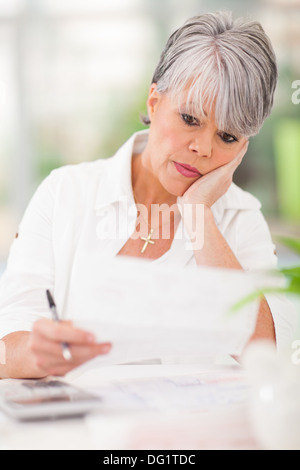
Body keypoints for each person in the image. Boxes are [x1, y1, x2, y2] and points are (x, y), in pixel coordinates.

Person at [0, 11, 295, 379]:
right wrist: (39, 353)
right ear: (154, 102)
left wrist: (199, 214)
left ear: (244, 147)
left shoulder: (240, 217)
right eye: (190, 119)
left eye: (228, 137)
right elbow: (5, 348)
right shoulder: (64, 193)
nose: (203, 148)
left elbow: (268, 354)